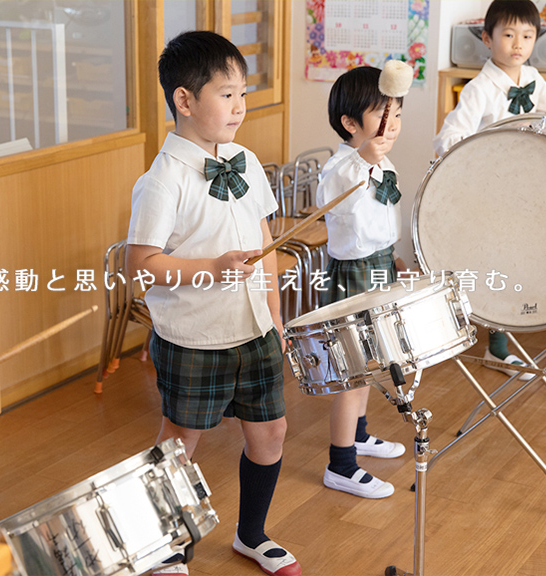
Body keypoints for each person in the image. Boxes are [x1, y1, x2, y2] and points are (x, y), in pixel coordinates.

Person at [126, 30, 300, 576]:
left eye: (242, 94)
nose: (240, 107)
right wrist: (212, 268)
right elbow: (141, 262)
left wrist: (274, 315)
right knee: (179, 444)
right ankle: (165, 547)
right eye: (227, 94)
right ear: (184, 99)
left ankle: (252, 535)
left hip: (255, 329)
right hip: (194, 336)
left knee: (271, 432)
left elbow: (266, 242)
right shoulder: (161, 180)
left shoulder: (245, 160)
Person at [433, 0, 546, 380]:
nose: (517, 44)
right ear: (487, 39)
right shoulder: (479, 88)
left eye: (526, 35)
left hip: (527, 187)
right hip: (491, 190)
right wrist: (485, 152)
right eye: (507, 34)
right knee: (498, 261)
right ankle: (497, 347)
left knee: (519, 259)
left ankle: (502, 338)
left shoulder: (535, 79)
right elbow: (448, 137)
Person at [314, 65, 409, 499]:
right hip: (351, 276)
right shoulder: (340, 167)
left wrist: (396, 258)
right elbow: (337, 192)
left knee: (373, 361)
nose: (393, 125)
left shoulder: (380, 160)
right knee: (353, 374)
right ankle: (341, 465)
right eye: (382, 115)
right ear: (350, 124)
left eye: (397, 114)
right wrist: (365, 159)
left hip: (379, 267)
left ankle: (359, 435)